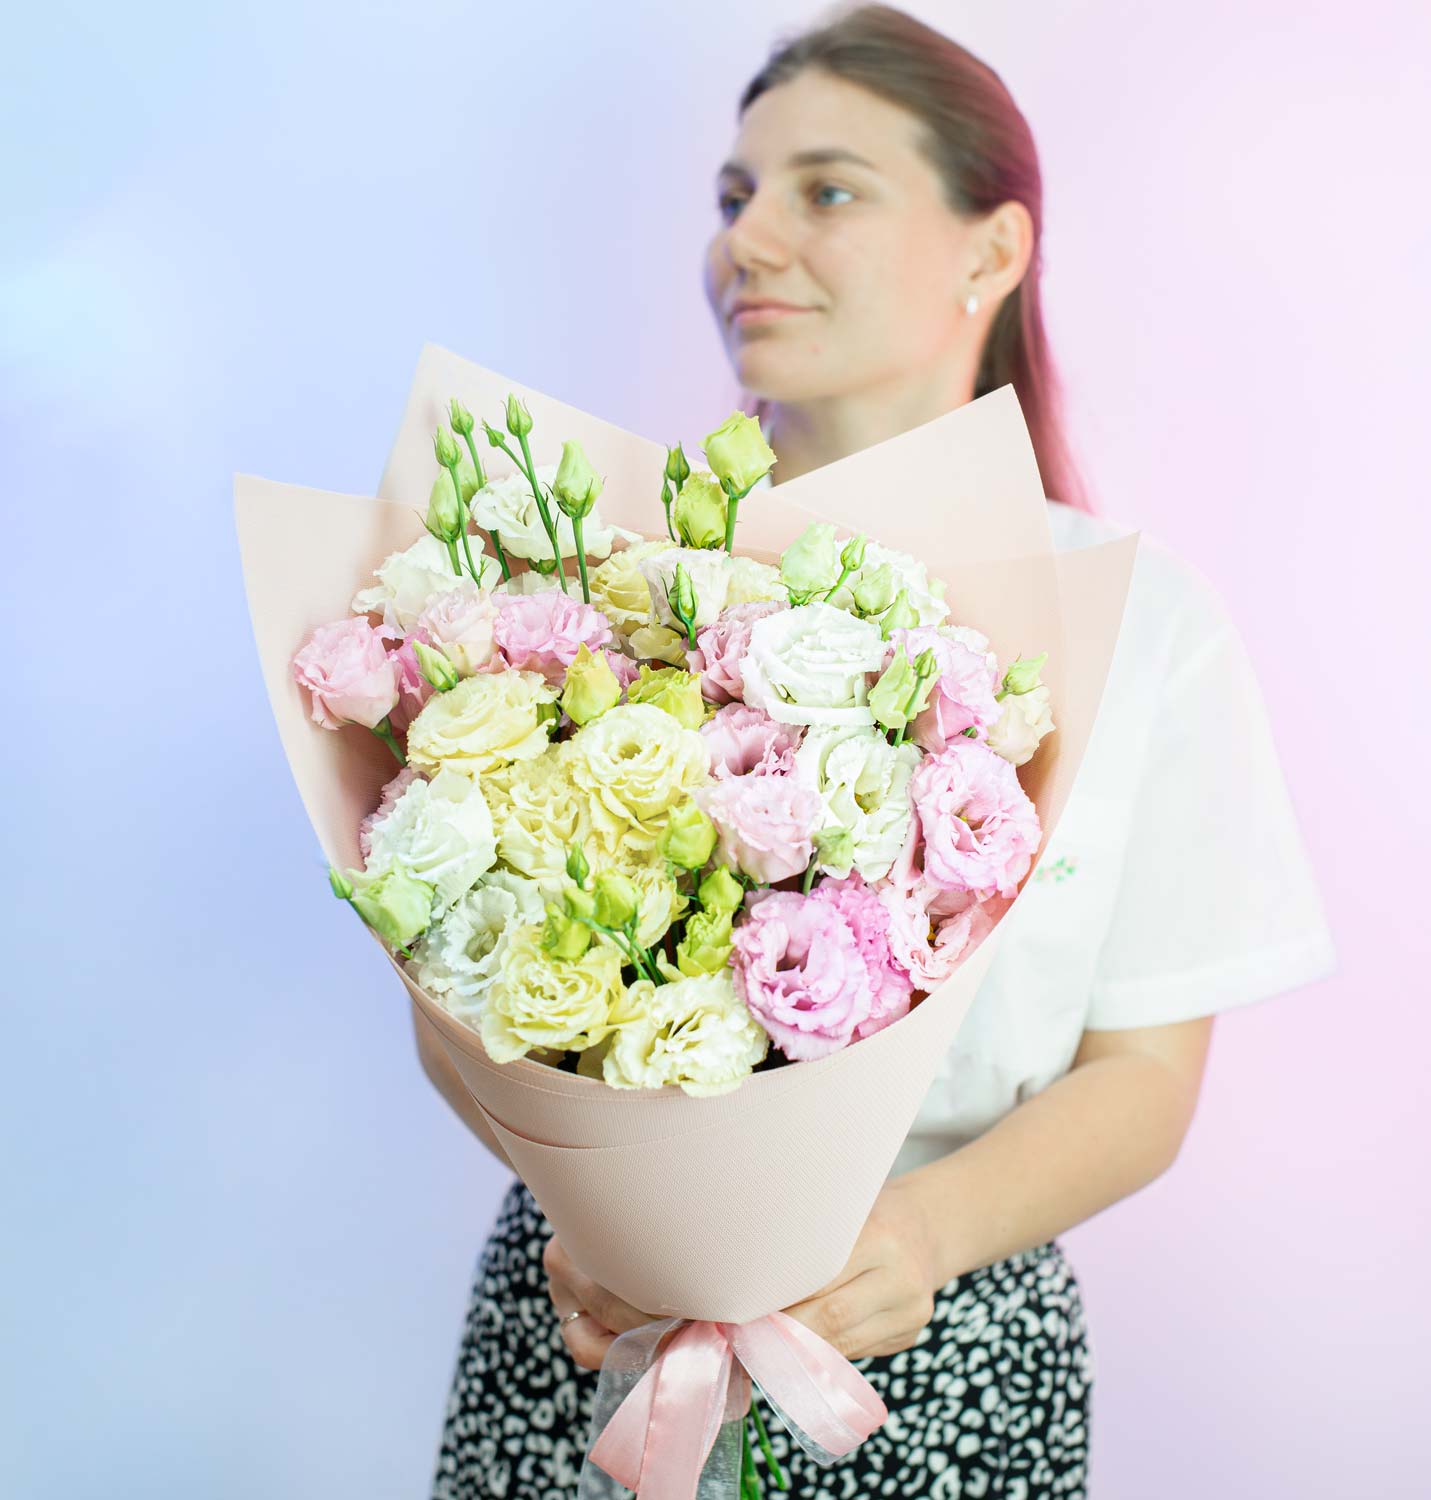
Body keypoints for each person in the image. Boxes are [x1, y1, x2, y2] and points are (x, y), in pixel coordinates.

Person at [422, 6, 1338, 1497]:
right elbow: (454, 986)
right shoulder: (591, 592)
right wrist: (599, 1215)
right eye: (734, 196)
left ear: (994, 249)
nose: (746, 240)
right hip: (595, 1325)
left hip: (948, 1338)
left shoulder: (1138, 622)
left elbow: (1146, 1070)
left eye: (826, 190)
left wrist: (916, 1236)